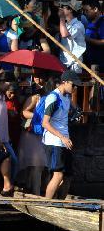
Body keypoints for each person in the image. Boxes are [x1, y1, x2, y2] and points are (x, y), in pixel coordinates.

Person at [41, 71, 80, 199]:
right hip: (54, 141)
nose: (75, 88)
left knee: (68, 175)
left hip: (65, 140)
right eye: (73, 85)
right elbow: (45, 123)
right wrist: (62, 137)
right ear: (65, 82)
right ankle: (47, 204)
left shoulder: (67, 98)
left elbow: (62, 117)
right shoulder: (53, 97)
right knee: (58, 175)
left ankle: (60, 204)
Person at [58, 0, 87, 73]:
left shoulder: (78, 25)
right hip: (65, 61)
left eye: (63, 7)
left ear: (70, 9)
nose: (60, 9)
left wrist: (62, 18)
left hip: (74, 62)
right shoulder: (66, 24)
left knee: (73, 83)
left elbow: (64, 34)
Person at [82, 0, 103, 70]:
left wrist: (88, 39)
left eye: (86, 10)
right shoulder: (90, 22)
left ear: (95, 9)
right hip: (90, 63)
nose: (84, 13)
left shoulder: (102, 23)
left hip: (100, 65)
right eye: (83, 11)